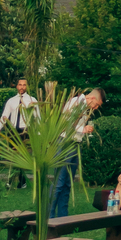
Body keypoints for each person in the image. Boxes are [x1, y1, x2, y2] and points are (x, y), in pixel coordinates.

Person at [50, 86, 102, 218]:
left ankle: (63, 216)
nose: (95, 108)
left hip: (75, 144)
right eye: (96, 105)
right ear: (92, 98)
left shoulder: (85, 107)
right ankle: (48, 217)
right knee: (59, 181)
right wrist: (82, 129)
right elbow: (66, 123)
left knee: (68, 183)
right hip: (65, 142)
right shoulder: (76, 102)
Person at [0, 79, 36, 187]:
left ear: (27, 87)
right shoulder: (11, 101)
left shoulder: (32, 100)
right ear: (17, 86)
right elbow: (4, 116)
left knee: (22, 157)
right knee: (13, 156)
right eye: (20, 85)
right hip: (13, 131)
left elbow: (38, 117)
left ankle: (16, 181)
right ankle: (16, 181)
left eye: (24, 85)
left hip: (25, 131)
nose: (22, 87)